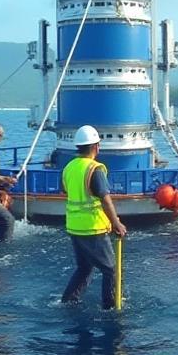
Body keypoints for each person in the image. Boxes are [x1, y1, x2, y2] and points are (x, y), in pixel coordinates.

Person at [60, 125, 128, 309]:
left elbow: (65, 190)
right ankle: (110, 307)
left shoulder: (69, 168)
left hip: (74, 227)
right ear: (96, 146)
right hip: (93, 228)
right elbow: (105, 200)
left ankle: (68, 301)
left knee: (84, 268)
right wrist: (116, 223)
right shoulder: (94, 169)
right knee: (110, 270)